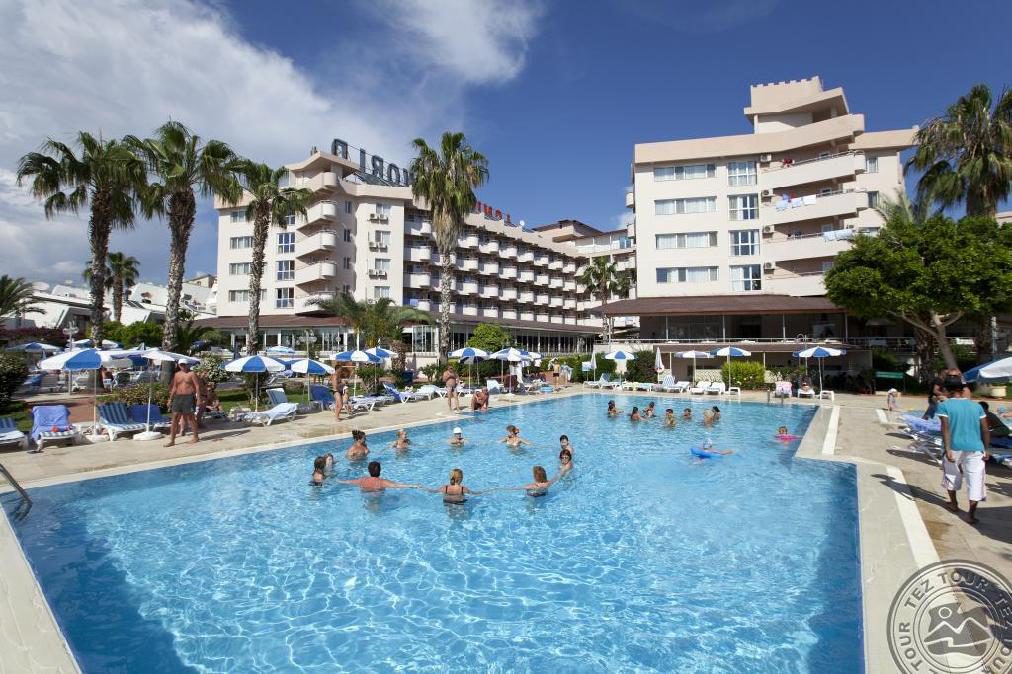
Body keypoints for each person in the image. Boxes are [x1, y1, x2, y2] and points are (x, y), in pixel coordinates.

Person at [938, 377, 990, 524]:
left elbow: (945, 429)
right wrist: (987, 448)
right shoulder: (977, 406)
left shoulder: (944, 406)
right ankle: (971, 515)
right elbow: (985, 429)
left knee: (952, 475)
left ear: (947, 390)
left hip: (954, 447)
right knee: (975, 480)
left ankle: (954, 504)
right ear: (961, 390)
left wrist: (947, 448)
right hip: (976, 448)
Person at [165, 362, 202, 447]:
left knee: (190, 417)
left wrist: (199, 399)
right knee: (175, 417)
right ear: (179, 365)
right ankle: (172, 440)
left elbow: (197, 386)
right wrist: (170, 399)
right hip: (178, 397)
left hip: (188, 397)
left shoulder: (191, 374)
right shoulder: (177, 374)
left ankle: (196, 437)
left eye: (184, 364)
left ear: (187, 365)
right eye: (181, 365)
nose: (183, 366)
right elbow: (174, 387)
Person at [338, 461, 421, 492]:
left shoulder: (362, 480)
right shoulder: (381, 482)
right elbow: (397, 485)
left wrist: (337, 480)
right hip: (377, 504)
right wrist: (414, 485)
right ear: (380, 470)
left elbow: (347, 482)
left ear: (369, 471)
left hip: (366, 503)